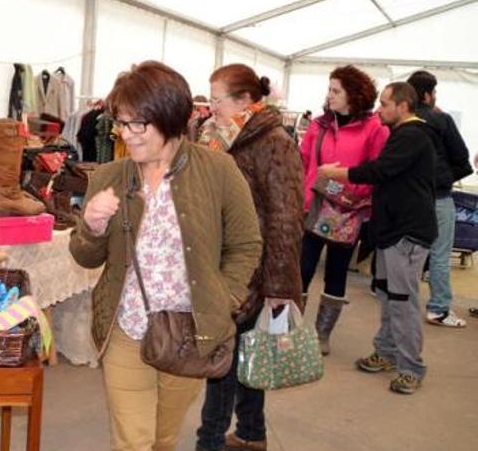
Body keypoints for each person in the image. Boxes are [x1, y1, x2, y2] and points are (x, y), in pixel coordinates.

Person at [69, 60, 263, 451]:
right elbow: (85, 257)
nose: (128, 134)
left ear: (170, 117)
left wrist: (222, 299)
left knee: (162, 438)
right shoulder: (110, 176)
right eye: (121, 123)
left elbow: (246, 244)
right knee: (133, 442)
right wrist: (91, 226)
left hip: (190, 332)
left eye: (138, 123)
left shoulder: (219, 170)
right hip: (125, 327)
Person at [194, 64, 304, 451]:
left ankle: (209, 442)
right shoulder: (215, 137)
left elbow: (286, 218)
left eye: (218, 99)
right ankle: (252, 433)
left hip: (251, 271)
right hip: (217, 264)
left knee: (223, 361)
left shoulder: (274, 143)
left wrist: (280, 287)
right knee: (245, 358)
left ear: (245, 100)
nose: (211, 108)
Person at [318, 82, 437, 394]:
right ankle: (386, 352)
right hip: (389, 231)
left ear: (403, 106)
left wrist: (337, 174)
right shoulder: (403, 135)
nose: (379, 109)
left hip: (406, 234)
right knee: (387, 295)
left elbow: (380, 170)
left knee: (402, 300)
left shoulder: (413, 135)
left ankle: (411, 367)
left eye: (385, 104)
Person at [299, 65, 389, 355]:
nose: (330, 95)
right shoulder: (319, 124)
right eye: (329, 89)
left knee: (336, 273)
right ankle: (291, 330)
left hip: (349, 212)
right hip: (312, 206)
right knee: (300, 270)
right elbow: (302, 162)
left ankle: (322, 335)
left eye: (336, 90)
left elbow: (376, 171)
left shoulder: (375, 128)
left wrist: (346, 190)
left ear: (354, 94)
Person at [406, 70, 472, 328]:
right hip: (438, 197)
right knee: (440, 254)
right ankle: (439, 309)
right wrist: (441, 179)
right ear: (427, 94)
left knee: (405, 253)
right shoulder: (441, 120)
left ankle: (399, 300)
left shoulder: (399, 121)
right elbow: (463, 160)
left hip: (407, 199)